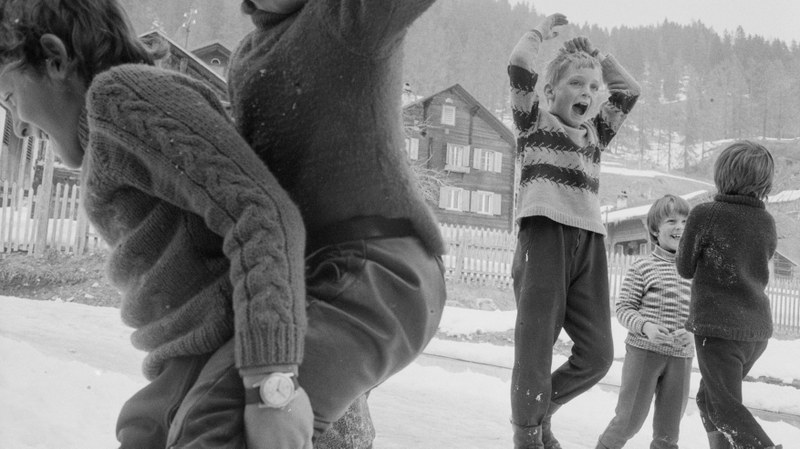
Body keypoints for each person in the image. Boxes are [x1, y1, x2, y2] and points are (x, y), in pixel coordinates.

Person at [0, 1, 314, 448]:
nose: (18, 126)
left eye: (9, 97)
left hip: (227, 345)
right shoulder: (109, 133)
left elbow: (262, 212)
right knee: (140, 428)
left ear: (55, 59)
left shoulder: (120, 98)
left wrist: (271, 384)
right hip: (183, 361)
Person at [227, 0, 448, 446]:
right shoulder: (246, 56)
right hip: (316, 276)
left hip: (381, 268)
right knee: (247, 395)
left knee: (247, 414)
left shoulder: (347, 18)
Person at [507, 13, 641, 449]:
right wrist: (541, 35)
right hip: (544, 237)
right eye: (575, 84)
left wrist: (597, 57)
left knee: (599, 354)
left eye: (591, 86)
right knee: (536, 346)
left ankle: (542, 409)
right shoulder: (533, 125)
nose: (586, 92)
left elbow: (629, 91)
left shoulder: (596, 134)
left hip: (590, 240)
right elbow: (519, 64)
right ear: (550, 92)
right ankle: (528, 434)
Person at [676, 141, 783, 449]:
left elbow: (685, 267)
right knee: (708, 400)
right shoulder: (767, 222)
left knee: (724, 409)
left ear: (722, 174)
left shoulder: (705, 214)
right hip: (755, 334)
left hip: (718, 331)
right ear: (764, 181)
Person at [595, 195, 694, 449]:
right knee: (628, 421)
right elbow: (624, 308)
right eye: (671, 220)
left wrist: (693, 331)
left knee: (668, 433)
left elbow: (704, 314)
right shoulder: (643, 267)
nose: (680, 226)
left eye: (685, 221)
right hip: (644, 354)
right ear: (654, 229)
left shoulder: (697, 272)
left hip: (681, 357)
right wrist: (646, 327)